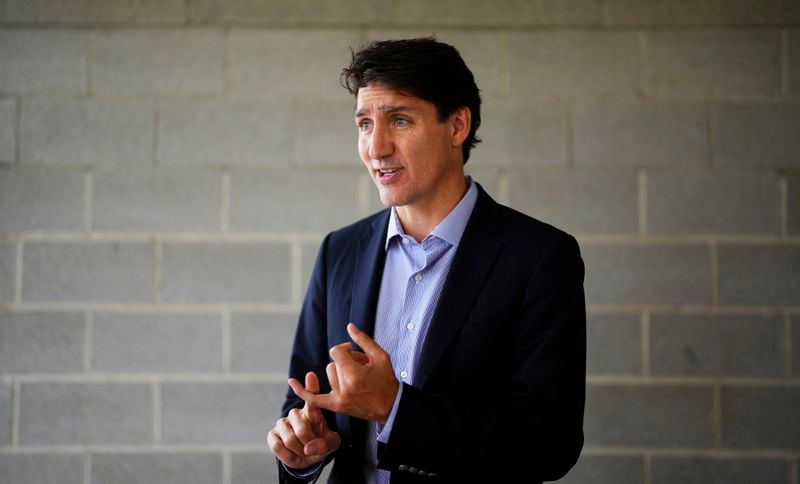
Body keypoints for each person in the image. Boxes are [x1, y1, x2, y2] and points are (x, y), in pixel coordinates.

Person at [267, 37, 586, 483]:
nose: (376, 148)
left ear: (457, 126)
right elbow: (304, 400)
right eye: (363, 124)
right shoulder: (340, 250)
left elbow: (550, 444)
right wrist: (303, 450)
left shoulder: (540, 257)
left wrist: (394, 409)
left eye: (399, 120)